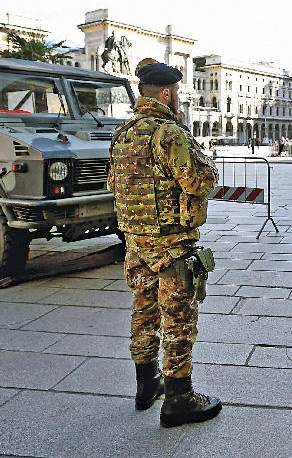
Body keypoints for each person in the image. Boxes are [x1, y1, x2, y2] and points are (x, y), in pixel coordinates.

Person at [108, 62, 222, 427]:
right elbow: (200, 181)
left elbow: (113, 185)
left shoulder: (122, 134)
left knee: (143, 312)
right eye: (177, 94)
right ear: (167, 94)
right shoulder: (169, 133)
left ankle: (147, 385)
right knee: (178, 318)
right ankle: (178, 399)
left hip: (135, 244)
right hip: (170, 246)